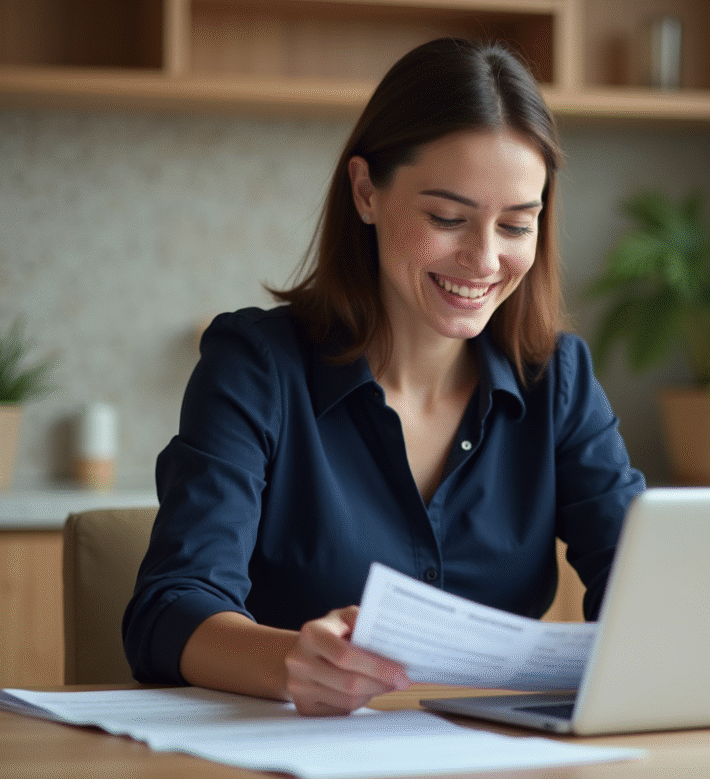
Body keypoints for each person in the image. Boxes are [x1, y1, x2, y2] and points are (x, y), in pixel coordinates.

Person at [123, 37, 645, 717]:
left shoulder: (559, 381)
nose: (484, 260)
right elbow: (168, 608)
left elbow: (643, 588)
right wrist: (290, 663)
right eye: (447, 218)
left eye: (517, 225)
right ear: (367, 191)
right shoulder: (257, 365)